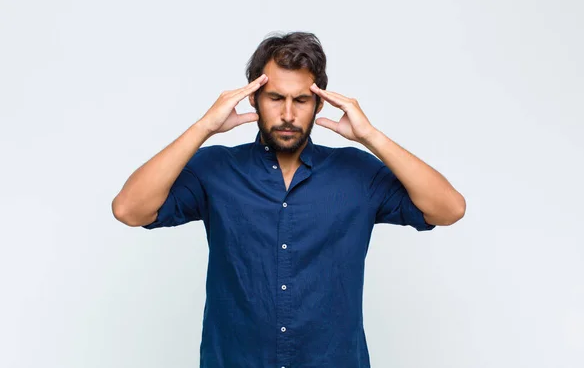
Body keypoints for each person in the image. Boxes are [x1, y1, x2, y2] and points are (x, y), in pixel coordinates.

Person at [112, 31, 466, 368]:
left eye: (301, 100)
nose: (287, 115)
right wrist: (203, 127)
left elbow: (449, 209)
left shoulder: (356, 172)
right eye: (275, 98)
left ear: (318, 102)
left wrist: (371, 137)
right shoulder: (216, 169)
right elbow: (129, 209)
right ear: (254, 98)